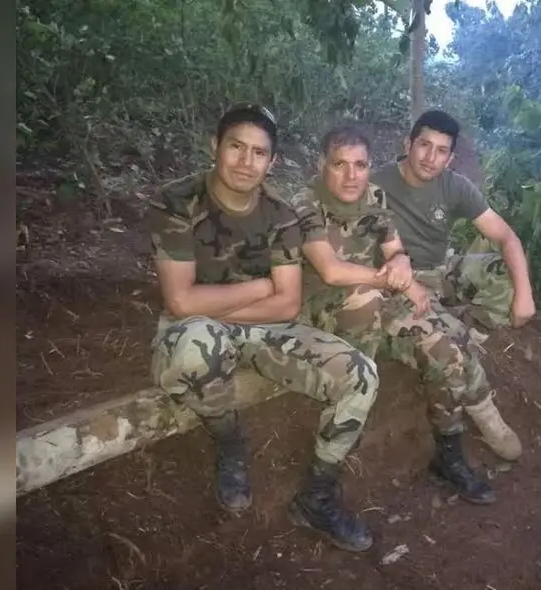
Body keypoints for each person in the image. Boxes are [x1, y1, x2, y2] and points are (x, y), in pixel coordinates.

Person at [145, 103, 378, 553]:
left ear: (271, 162)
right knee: (196, 346)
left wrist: (206, 307)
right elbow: (179, 300)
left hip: (266, 329)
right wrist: (257, 287)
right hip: (195, 329)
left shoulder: (281, 214)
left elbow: (288, 302)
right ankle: (227, 437)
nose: (245, 162)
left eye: (258, 153)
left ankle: (317, 496)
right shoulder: (178, 201)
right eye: (236, 147)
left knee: (361, 374)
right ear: (215, 146)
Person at [288, 123, 522, 505]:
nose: (352, 176)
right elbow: (330, 270)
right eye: (340, 164)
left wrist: (400, 265)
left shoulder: (375, 196)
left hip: (376, 300)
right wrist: (393, 281)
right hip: (322, 307)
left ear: (369, 166)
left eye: (360, 165)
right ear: (321, 165)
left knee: (445, 346)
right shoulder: (305, 202)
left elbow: (394, 247)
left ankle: (448, 452)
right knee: (365, 296)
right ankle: (346, 415)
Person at [372, 109, 537, 332]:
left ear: (449, 159)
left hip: (441, 271)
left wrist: (525, 297)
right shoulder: (374, 184)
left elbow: (506, 237)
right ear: (408, 145)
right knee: (442, 342)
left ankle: (465, 319)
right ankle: (444, 325)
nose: (431, 158)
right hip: (399, 280)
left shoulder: (456, 187)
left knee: (508, 271)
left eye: (441, 151)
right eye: (424, 145)